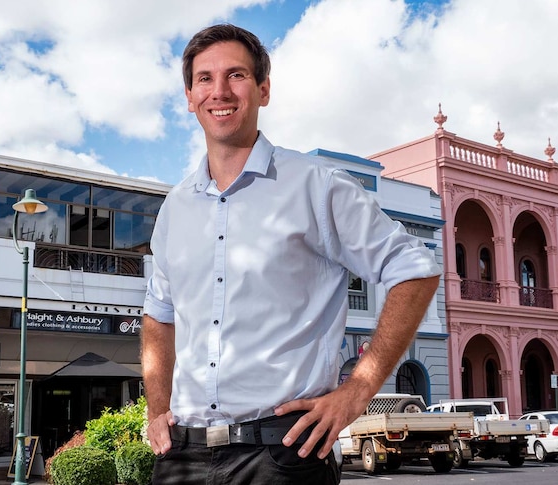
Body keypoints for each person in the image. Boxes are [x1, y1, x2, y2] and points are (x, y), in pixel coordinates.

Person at [140, 24, 441, 485]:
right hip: (183, 455)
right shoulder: (175, 209)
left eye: (235, 75)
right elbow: (158, 316)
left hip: (283, 453)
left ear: (263, 89)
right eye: (205, 78)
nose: (219, 91)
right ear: (188, 96)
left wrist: (357, 389)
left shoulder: (316, 186)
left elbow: (415, 269)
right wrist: (157, 409)